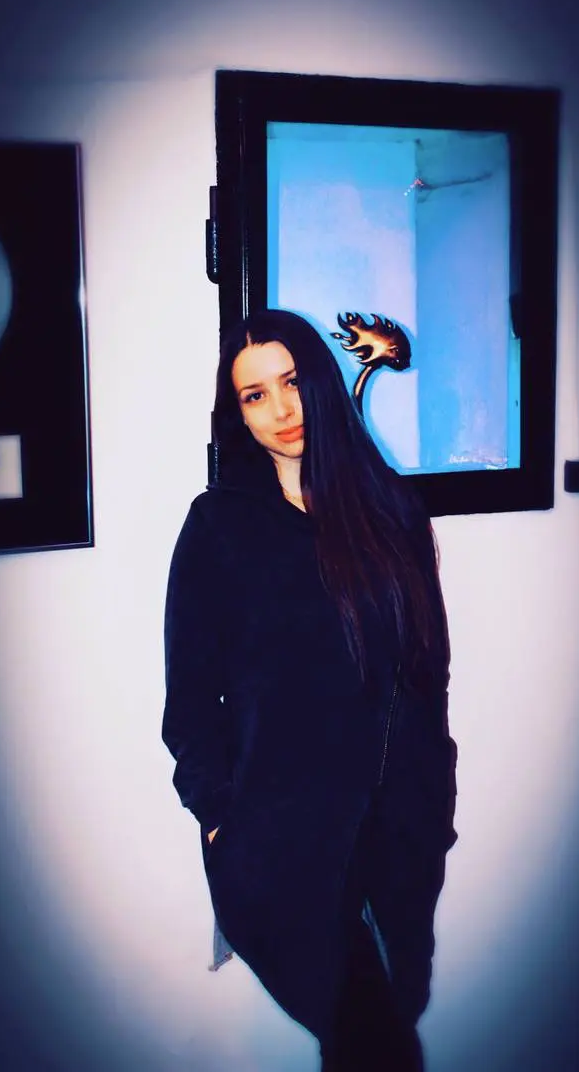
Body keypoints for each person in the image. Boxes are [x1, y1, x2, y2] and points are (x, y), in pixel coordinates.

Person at [162, 309, 458, 1071]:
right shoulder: (219, 526)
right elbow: (189, 703)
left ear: (319, 382)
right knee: (374, 1046)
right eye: (254, 395)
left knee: (376, 1030)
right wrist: (219, 818)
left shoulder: (390, 512)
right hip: (279, 846)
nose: (280, 409)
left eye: (290, 382)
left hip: (396, 835)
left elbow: (426, 677)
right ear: (237, 414)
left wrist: (433, 803)